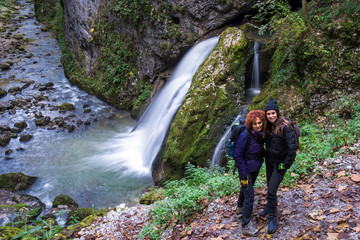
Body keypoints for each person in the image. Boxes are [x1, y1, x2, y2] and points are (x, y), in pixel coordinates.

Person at [259, 98, 297, 234]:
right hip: (269, 161)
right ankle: (269, 206)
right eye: (268, 114)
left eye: (273, 113)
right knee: (269, 187)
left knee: (271, 190)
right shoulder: (268, 126)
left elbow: (292, 149)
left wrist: (284, 165)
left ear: (277, 113)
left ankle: (272, 218)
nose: (271, 116)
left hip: (279, 164)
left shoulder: (285, 127)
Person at [233, 110, 265, 237]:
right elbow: (237, 155)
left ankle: (239, 207)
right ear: (250, 124)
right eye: (255, 123)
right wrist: (243, 175)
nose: (258, 125)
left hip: (254, 167)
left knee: (245, 189)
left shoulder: (260, 134)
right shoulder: (245, 135)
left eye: (260, 122)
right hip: (245, 169)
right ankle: (246, 225)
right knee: (250, 196)